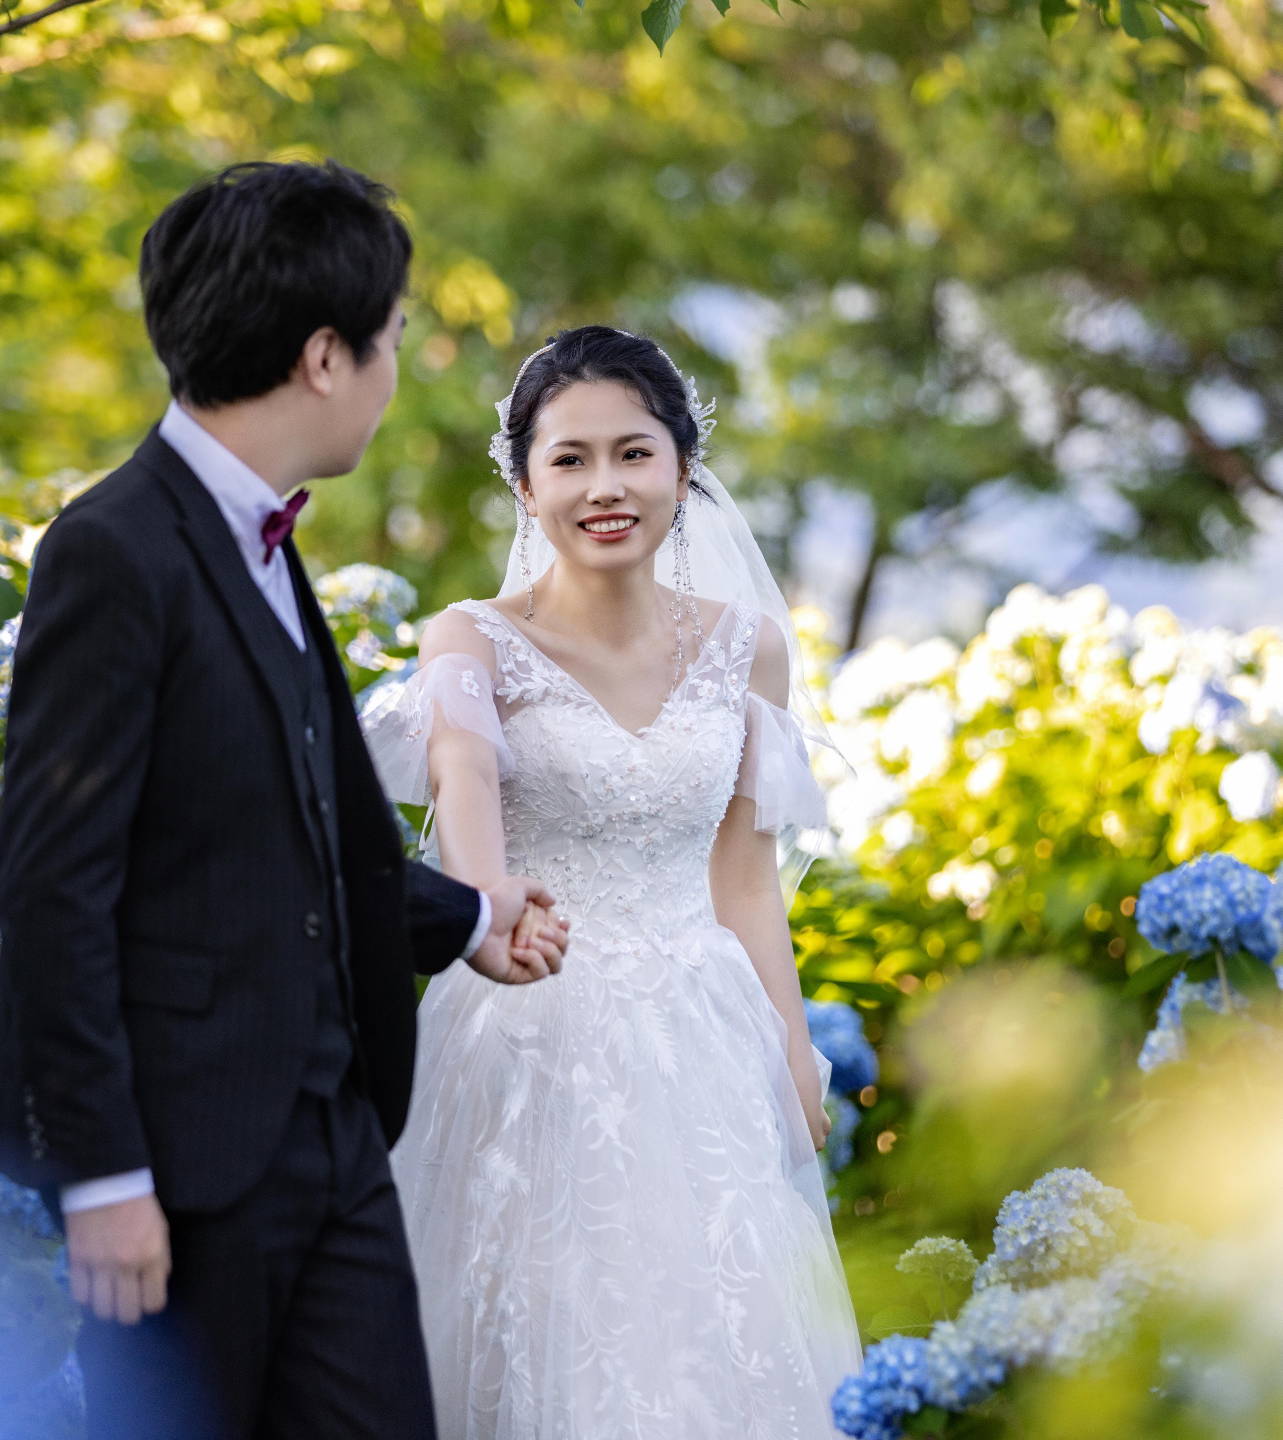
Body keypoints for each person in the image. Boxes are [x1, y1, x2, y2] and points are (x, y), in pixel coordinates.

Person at [0, 160, 570, 1440]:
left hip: (337, 1139)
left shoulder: (268, 541)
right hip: (181, 1167)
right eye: (394, 341)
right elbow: (53, 882)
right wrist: (104, 1177)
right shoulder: (114, 547)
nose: (396, 370)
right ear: (322, 357)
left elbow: (280, 841)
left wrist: (463, 913)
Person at [363, 325, 863, 1438]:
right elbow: (467, 799)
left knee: (705, 1349)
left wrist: (790, 1042)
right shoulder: (472, 641)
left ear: (684, 469)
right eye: (570, 459)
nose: (605, 487)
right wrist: (492, 910)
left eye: (634, 454)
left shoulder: (750, 650)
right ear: (526, 482)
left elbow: (745, 876)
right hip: (521, 1029)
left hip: (701, 1041)